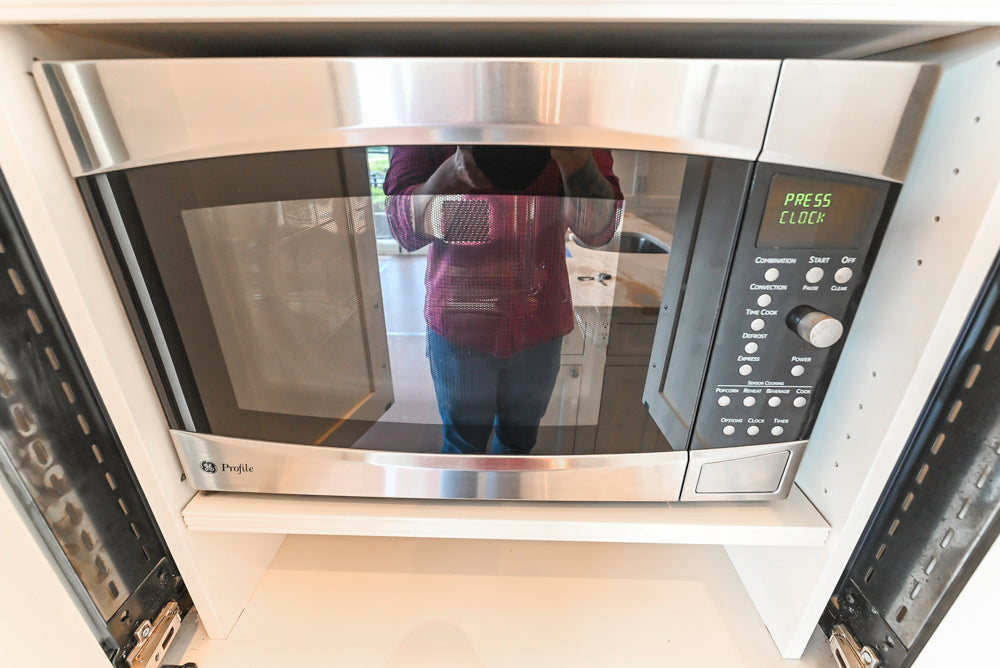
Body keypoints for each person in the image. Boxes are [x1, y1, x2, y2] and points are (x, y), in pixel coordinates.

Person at [384, 145, 622, 455]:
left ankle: (496, 499)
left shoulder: (571, 117)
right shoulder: (430, 110)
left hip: (532, 319)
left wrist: (574, 156)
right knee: (467, 447)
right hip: (469, 322)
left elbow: (597, 232)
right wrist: (454, 173)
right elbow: (403, 229)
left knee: (515, 445)